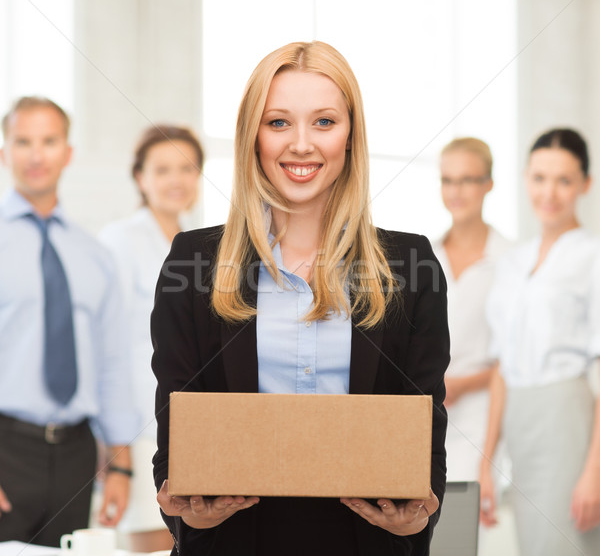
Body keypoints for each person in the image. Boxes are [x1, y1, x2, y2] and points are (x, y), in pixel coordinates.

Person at [151, 41, 450, 556]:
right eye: (279, 123)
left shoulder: (411, 265)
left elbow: (426, 425)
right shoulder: (192, 262)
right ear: (253, 137)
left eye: (325, 122)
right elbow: (175, 418)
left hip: (363, 544)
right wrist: (187, 507)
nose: (302, 144)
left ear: (352, 136)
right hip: (235, 542)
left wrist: (416, 518)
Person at [0, 96, 138, 547]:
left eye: (49, 141)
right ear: (5, 152)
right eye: (23, 141)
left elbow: (113, 363)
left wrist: (120, 464)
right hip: (6, 448)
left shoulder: (93, 256)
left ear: (68, 153)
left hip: (77, 456)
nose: (36, 155)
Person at [479, 128, 600, 555]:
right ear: (526, 179)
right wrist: (487, 463)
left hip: (568, 421)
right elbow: (501, 368)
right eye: (540, 178)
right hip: (519, 424)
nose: (549, 192)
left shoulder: (592, 255)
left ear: (585, 184)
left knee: (566, 544)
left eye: (564, 180)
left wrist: (595, 471)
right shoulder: (513, 262)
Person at [99, 124, 204, 552]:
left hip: (194, 426)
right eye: (162, 169)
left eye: (186, 168)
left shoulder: (204, 245)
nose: (176, 180)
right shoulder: (119, 242)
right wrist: (117, 451)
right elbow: (110, 351)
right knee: (148, 544)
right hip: (142, 429)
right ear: (140, 178)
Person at [432, 138, 511, 482]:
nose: (456, 191)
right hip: (429, 414)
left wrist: (462, 385)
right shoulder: (424, 256)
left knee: (465, 527)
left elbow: (511, 359)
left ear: (488, 184)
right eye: (448, 180)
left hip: (482, 417)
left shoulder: (511, 259)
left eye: (467, 179)